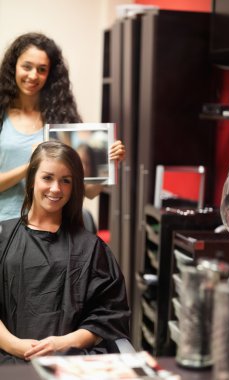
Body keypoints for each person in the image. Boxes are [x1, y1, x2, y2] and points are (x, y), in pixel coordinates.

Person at [0, 140, 130, 364]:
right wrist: (16, 346)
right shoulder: (3, 237)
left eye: (65, 181)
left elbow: (108, 316)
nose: (55, 188)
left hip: (69, 361)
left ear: (74, 187)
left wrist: (60, 344)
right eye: (47, 178)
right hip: (8, 358)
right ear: (32, 180)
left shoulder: (91, 248)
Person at [0, 32, 125, 222]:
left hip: (51, 231)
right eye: (27, 66)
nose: (34, 75)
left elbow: (90, 192)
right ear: (14, 67)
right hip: (4, 229)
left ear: (50, 75)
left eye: (42, 69)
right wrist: (31, 167)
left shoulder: (63, 122)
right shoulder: (2, 115)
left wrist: (108, 163)